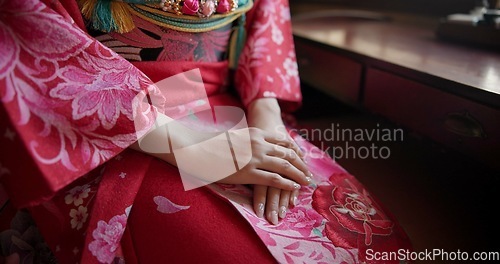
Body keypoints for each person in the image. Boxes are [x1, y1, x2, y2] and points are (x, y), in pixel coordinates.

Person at [0, 0, 411, 263]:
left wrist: (268, 122)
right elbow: (25, 30)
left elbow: (267, 17)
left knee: (354, 236)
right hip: (114, 124)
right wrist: (192, 148)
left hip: (234, 104)